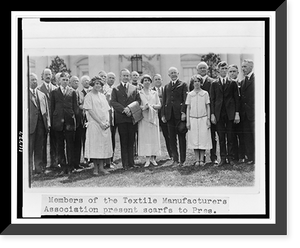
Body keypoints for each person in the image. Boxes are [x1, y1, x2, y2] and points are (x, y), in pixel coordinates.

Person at [210, 61, 240, 166]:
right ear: (218, 70)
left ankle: (230, 158)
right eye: (221, 69)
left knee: (230, 136)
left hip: (230, 113)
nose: (223, 70)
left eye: (225, 69)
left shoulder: (232, 83)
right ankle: (223, 158)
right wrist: (213, 114)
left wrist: (236, 113)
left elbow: (236, 99)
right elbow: (212, 100)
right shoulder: (214, 83)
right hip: (219, 114)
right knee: (221, 136)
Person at [111, 68, 141, 170]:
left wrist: (130, 109)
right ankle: (125, 164)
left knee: (131, 141)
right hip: (121, 118)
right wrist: (124, 109)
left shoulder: (134, 88)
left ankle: (131, 163)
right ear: (121, 76)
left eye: (127, 76)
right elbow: (113, 102)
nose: (126, 77)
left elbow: (138, 101)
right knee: (124, 141)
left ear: (130, 77)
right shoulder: (116, 89)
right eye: (124, 75)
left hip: (131, 118)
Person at [189, 61, 218, 165]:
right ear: (197, 70)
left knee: (211, 136)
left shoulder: (213, 81)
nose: (202, 69)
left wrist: (212, 114)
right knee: (198, 136)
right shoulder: (193, 81)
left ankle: (213, 157)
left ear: (207, 69)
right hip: (197, 113)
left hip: (210, 112)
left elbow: (213, 99)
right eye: (200, 68)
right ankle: (201, 158)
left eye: (204, 68)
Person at [83, 76, 112, 175]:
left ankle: (102, 167)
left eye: (99, 84)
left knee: (103, 146)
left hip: (104, 125)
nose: (98, 85)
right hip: (95, 124)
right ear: (92, 85)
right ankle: (95, 168)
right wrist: (100, 122)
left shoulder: (102, 96)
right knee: (95, 146)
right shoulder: (89, 96)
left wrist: (107, 122)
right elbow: (90, 111)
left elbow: (107, 110)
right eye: (96, 84)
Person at [50, 72, 78, 174]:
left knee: (70, 145)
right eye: (63, 80)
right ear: (59, 81)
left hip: (69, 122)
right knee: (60, 145)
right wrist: (53, 122)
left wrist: (75, 121)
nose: (65, 81)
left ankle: (70, 167)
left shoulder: (72, 92)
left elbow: (75, 108)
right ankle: (63, 167)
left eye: (67, 80)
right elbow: (51, 108)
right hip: (58, 123)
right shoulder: (54, 92)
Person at [161, 67, 188, 167]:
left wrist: (183, 112)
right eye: (171, 73)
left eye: (175, 73)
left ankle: (182, 159)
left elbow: (186, 100)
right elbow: (164, 101)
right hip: (169, 115)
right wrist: (163, 114)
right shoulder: (166, 86)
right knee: (172, 138)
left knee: (181, 137)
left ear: (178, 73)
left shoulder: (183, 84)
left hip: (179, 115)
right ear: (169, 75)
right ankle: (175, 159)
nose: (173, 74)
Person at [186, 75, 212, 166]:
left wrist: (208, 119)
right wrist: (188, 121)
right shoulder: (190, 94)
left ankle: (202, 159)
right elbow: (188, 108)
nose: (196, 83)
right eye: (195, 81)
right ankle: (197, 159)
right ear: (192, 84)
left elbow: (207, 106)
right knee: (195, 140)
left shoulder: (205, 93)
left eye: (198, 81)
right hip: (193, 119)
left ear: (201, 83)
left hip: (203, 118)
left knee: (202, 139)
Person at [29, 73, 50, 175]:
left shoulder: (42, 95)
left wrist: (48, 123)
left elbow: (47, 111)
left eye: (35, 80)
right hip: (30, 126)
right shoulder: (23, 94)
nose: (34, 82)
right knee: (29, 148)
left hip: (41, 125)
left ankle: (38, 168)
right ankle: (28, 169)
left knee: (39, 147)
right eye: (32, 80)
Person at [138, 74, 161, 167]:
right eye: (145, 80)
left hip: (153, 118)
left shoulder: (154, 93)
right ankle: (147, 159)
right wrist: (144, 107)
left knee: (153, 138)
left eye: (148, 80)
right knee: (146, 138)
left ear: (151, 82)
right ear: (142, 83)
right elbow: (137, 105)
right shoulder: (139, 93)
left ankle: (153, 158)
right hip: (144, 118)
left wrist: (152, 106)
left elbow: (159, 105)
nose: (147, 82)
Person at [37, 68, 58, 169]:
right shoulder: (39, 89)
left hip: (54, 119)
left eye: (49, 74)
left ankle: (54, 163)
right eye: (46, 74)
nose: (48, 76)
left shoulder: (55, 88)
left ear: (52, 76)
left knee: (54, 141)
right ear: (42, 76)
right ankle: (43, 164)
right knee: (43, 142)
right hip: (43, 119)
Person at [227, 64, 246, 163]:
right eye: (230, 71)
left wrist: (238, 113)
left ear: (238, 73)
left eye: (234, 71)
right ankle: (234, 156)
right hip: (230, 114)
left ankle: (242, 155)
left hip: (241, 113)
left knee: (241, 135)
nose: (232, 73)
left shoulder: (241, 83)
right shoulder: (228, 84)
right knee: (232, 136)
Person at [152, 74, 172, 160]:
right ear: (153, 81)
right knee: (154, 136)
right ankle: (153, 155)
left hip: (164, 115)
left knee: (168, 135)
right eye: (156, 79)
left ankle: (171, 154)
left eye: (159, 79)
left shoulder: (166, 89)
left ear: (162, 80)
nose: (157, 81)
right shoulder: (150, 91)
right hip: (154, 116)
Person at [240, 59, 255, 165]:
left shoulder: (257, 79)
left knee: (256, 136)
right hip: (245, 114)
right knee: (248, 136)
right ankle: (251, 157)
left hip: (254, 113)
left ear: (251, 67)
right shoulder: (242, 81)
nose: (243, 69)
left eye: (245, 66)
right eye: (242, 66)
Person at [69, 76, 85, 170]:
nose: (76, 82)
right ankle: (71, 164)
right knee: (71, 144)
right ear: (70, 83)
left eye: (77, 81)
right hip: (71, 121)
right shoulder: (69, 93)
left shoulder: (81, 93)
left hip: (80, 121)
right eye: (74, 81)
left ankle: (77, 163)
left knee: (78, 143)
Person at [103, 72, 117, 169]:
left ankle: (111, 159)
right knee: (106, 138)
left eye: (113, 78)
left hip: (114, 115)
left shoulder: (115, 89)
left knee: (112, 138)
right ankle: (105, 160)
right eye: (110, 78)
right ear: (106, 79)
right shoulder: (103, 88)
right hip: (106, 115)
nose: (111, 79)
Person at [80, 75, 91, 166]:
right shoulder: (80, 93)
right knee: (85, 139)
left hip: (93, 117)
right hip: (84, 118)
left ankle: (93, 157)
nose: (86, 82)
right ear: (82, 83)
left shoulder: (93, 92)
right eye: (84, 81)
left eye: (87, 81)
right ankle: (86, 158)